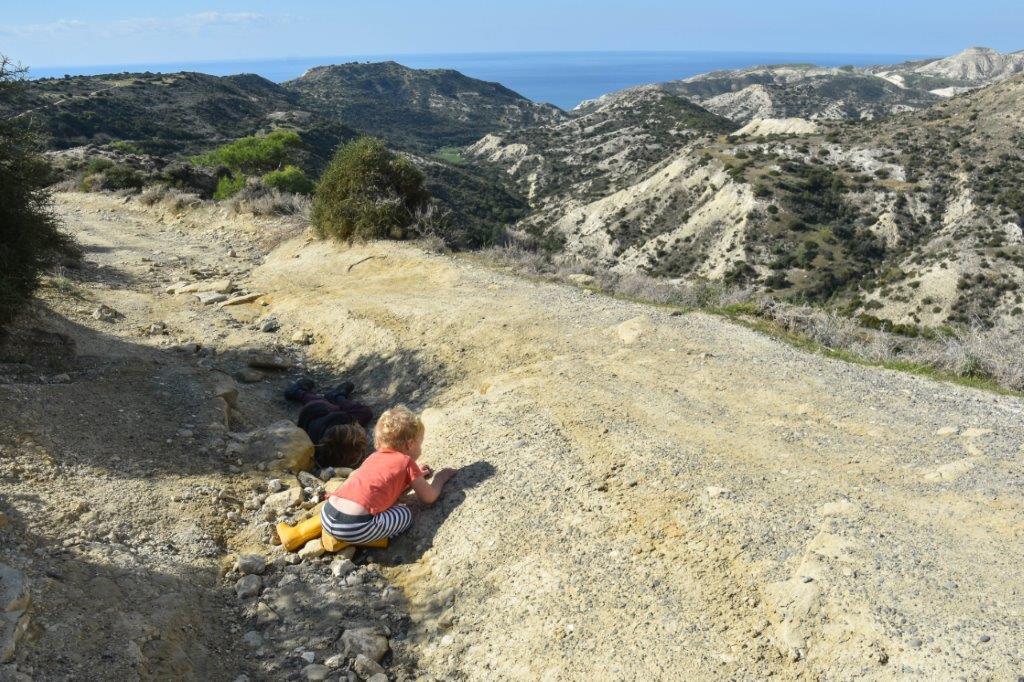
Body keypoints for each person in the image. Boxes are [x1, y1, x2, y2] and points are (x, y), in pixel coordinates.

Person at [321, 404, 455, 544]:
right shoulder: (406, 461)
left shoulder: (372, 457)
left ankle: (355, 537)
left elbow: (383, 483)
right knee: (405, 513)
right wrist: (440, 478)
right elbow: (429, 497)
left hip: (327, 513)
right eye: (420, 444)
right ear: (410, 444)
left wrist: (414, 477)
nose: (420, 448)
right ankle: (373, 539)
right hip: (355, 526)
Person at [284, 378, 373, 470]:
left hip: (313, 412)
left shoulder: (340, 419)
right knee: (364, 412)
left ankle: (298, 391)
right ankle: (335, 396)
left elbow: (343, 415)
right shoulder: (327, 459)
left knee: (321, 402)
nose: (359, 427)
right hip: (317, 420)